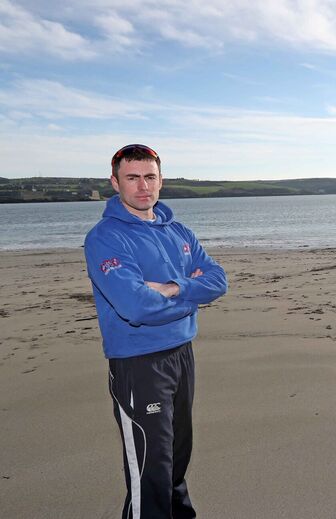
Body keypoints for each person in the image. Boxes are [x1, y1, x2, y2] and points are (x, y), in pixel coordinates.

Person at [84, 144, 227, 519]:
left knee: (177, 458)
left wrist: (172, 288)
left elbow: (218, 279)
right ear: (115, 182)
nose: (143, 186)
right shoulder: (106, 238)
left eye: (150, 177)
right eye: (132, 177)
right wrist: (193, 294)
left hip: (182, 353)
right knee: (151, 469)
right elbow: (134, 307)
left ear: (161, 180)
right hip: (138, 362)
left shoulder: (178, 230)